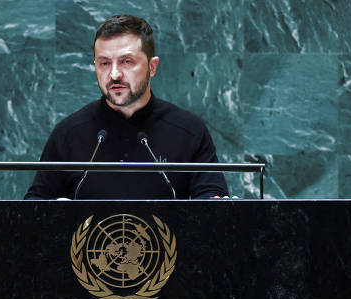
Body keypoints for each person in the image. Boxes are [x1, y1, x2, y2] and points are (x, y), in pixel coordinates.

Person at [24, 15, 228, 200]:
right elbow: (34, 207)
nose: (114, 75)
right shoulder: (68, 133)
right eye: (104, 63)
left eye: (126, 62)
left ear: (152, 67)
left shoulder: (189, 131)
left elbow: (211, 202)